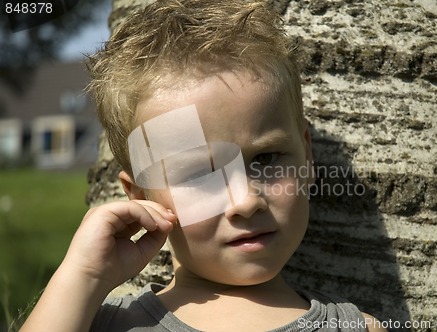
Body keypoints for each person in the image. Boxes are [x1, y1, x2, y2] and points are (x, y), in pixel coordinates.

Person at [21, 1, 387, 331]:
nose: (245, 202)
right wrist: (84, 277)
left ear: (306, 156)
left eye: (266, 158)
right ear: (140, 197)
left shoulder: (356, 328)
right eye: (199, 173)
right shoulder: (105, 324)